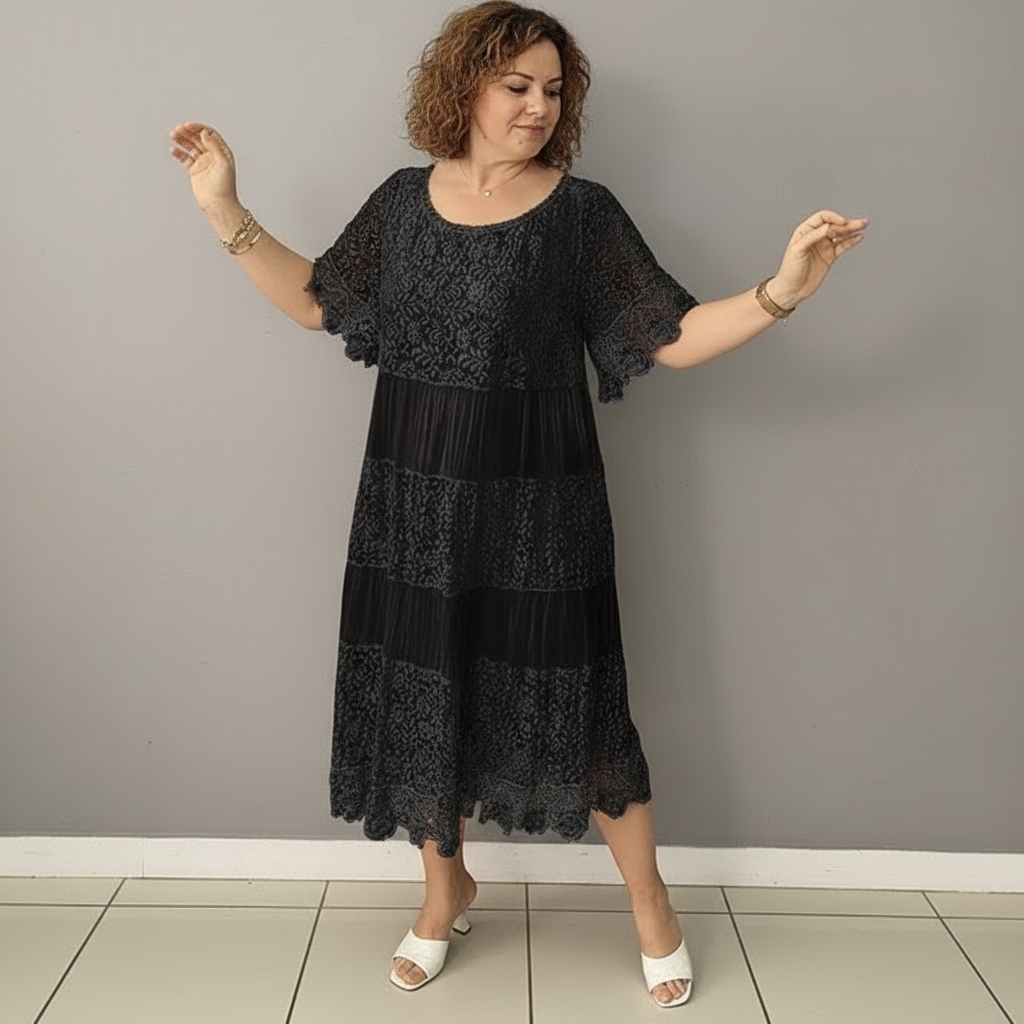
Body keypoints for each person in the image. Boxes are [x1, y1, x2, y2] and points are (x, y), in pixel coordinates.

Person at [169, 0, 867, 1007]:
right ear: (465, 87)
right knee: (425, 695)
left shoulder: (581, 216)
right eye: (518, 86)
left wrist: (783, 289)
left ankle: (651, 903)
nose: (539, 106)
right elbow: (321, 301)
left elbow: (669, 336)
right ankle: (442, 889)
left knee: (583, 708)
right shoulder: (401, 203)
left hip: (542, 512)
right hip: (414, 503)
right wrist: (222, 208)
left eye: (553, 90)